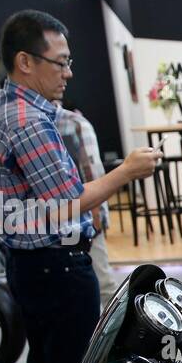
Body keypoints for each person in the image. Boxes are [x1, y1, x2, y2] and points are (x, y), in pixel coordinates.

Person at [0, 9, 160, 363]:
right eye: (59, 62)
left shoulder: (2, 108)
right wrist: (126, 171)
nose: (68, 72)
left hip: (30, 264)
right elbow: (65, 203)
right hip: (56, 266)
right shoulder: (27, 120)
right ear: (25, 62)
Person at [54, 101, 118, 306]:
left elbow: (91, 171)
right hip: (56, 220)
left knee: (102, 282)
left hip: (83, 215)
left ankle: (115, 334)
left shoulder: (73, 124)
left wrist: (96, 213)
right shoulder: (34, 125)